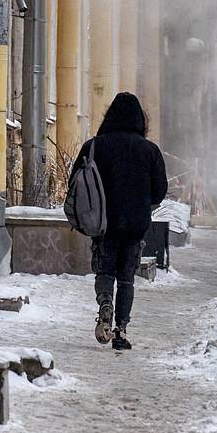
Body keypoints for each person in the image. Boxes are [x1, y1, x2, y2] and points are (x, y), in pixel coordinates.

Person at [70, 93, 167, 351]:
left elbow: (75, 183)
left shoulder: (95, 146)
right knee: (126, 278)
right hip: (135, 225)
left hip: (103, 223)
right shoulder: (150, 151)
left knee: (105, 271)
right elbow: (160, 191)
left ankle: (104, 305)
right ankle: (121, 330)